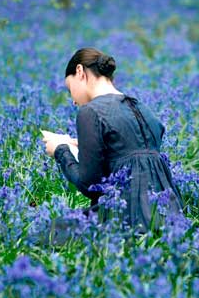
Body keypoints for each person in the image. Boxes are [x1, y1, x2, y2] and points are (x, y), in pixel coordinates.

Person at [43, 47, 184, 235]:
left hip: (124, 217)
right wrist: (82, 144)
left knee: (46, 233)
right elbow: (133, 151)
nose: (73, 101)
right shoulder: (141, 107)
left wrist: (60, 150)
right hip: (169, 217)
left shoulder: (90, 112)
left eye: (70, 89)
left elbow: (90, 186)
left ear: (79, 72)